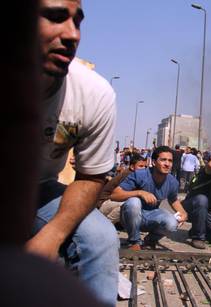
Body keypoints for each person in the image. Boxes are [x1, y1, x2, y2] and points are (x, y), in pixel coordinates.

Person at [28, 0, 119, 305]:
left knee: (100, 239)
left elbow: (91, 176)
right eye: (55, 17)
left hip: (37, 191)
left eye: (77, 21)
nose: (73, 35)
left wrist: (51, 235)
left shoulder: (93, 95)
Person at [111, 146, 188, 250]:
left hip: (152, 215)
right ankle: (134, 241)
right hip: (130, 216)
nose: (167, 164)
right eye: (163, 160)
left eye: (170, 161)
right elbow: (114, 194)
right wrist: (140, 192)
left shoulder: (172, 181)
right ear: (154, 162)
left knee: (172, 223)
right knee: (134, 202)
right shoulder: (140, 175)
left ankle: (150, 241)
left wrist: (183, 213)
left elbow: (173, 200)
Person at [97, 153, 146, 224]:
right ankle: (106, 224)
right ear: (132, 167)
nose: (143, 169)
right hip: (103, 204)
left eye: (145, 166)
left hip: (111, 202)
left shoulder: (136, 175)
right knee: (128, 205)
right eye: (141, 166)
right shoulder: (129, 175)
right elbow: (119, 196)